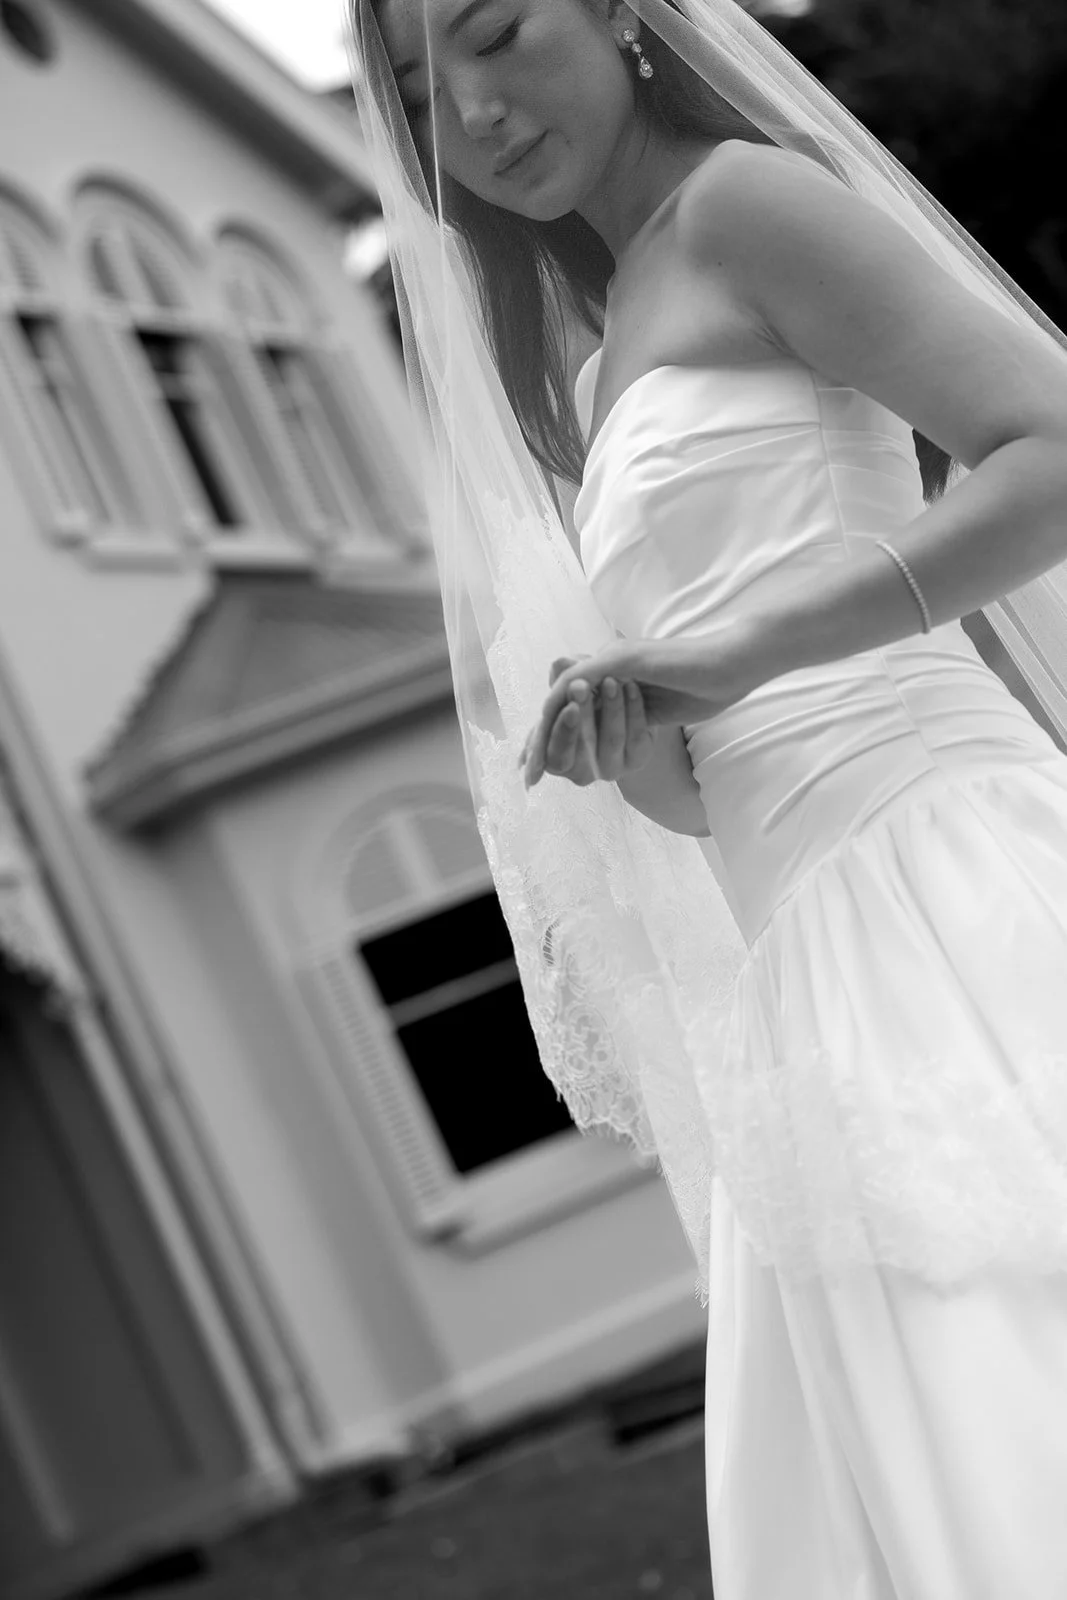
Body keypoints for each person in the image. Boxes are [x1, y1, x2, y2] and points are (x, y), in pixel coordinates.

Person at [350, 0, 1067, 1592]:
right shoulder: (602, 367)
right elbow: (712, 773)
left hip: (943, 874)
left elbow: (1049, 446)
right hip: (803, 966)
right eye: (415, 88)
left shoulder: (749, 204)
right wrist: (640, 744)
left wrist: (728, 652)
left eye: (493, 32)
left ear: (617, 11)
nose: (469, 111)